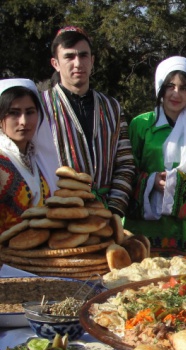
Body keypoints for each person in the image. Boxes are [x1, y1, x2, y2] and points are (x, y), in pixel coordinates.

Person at [123, 57, 186, 258]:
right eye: (170, 86)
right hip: (147, 229)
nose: (176, 94)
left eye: (184, 88)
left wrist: (180, 184)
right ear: (160, 87)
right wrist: (151, 180)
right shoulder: (141, 125)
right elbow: (126, 171)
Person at [41, 26, 135, 217]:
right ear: (55, 63)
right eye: (69, 56)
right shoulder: (42, 106)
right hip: (57, 213)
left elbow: (125, 164)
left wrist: (114, 210)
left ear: (92, 61)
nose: (78, 63)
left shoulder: (112, 108)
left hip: (104, 213)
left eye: (83, 56)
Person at [0, 79, 59, 234]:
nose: (24, 121)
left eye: (30, 112)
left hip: (41, 254)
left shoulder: (41, 160)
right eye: (14, 113)